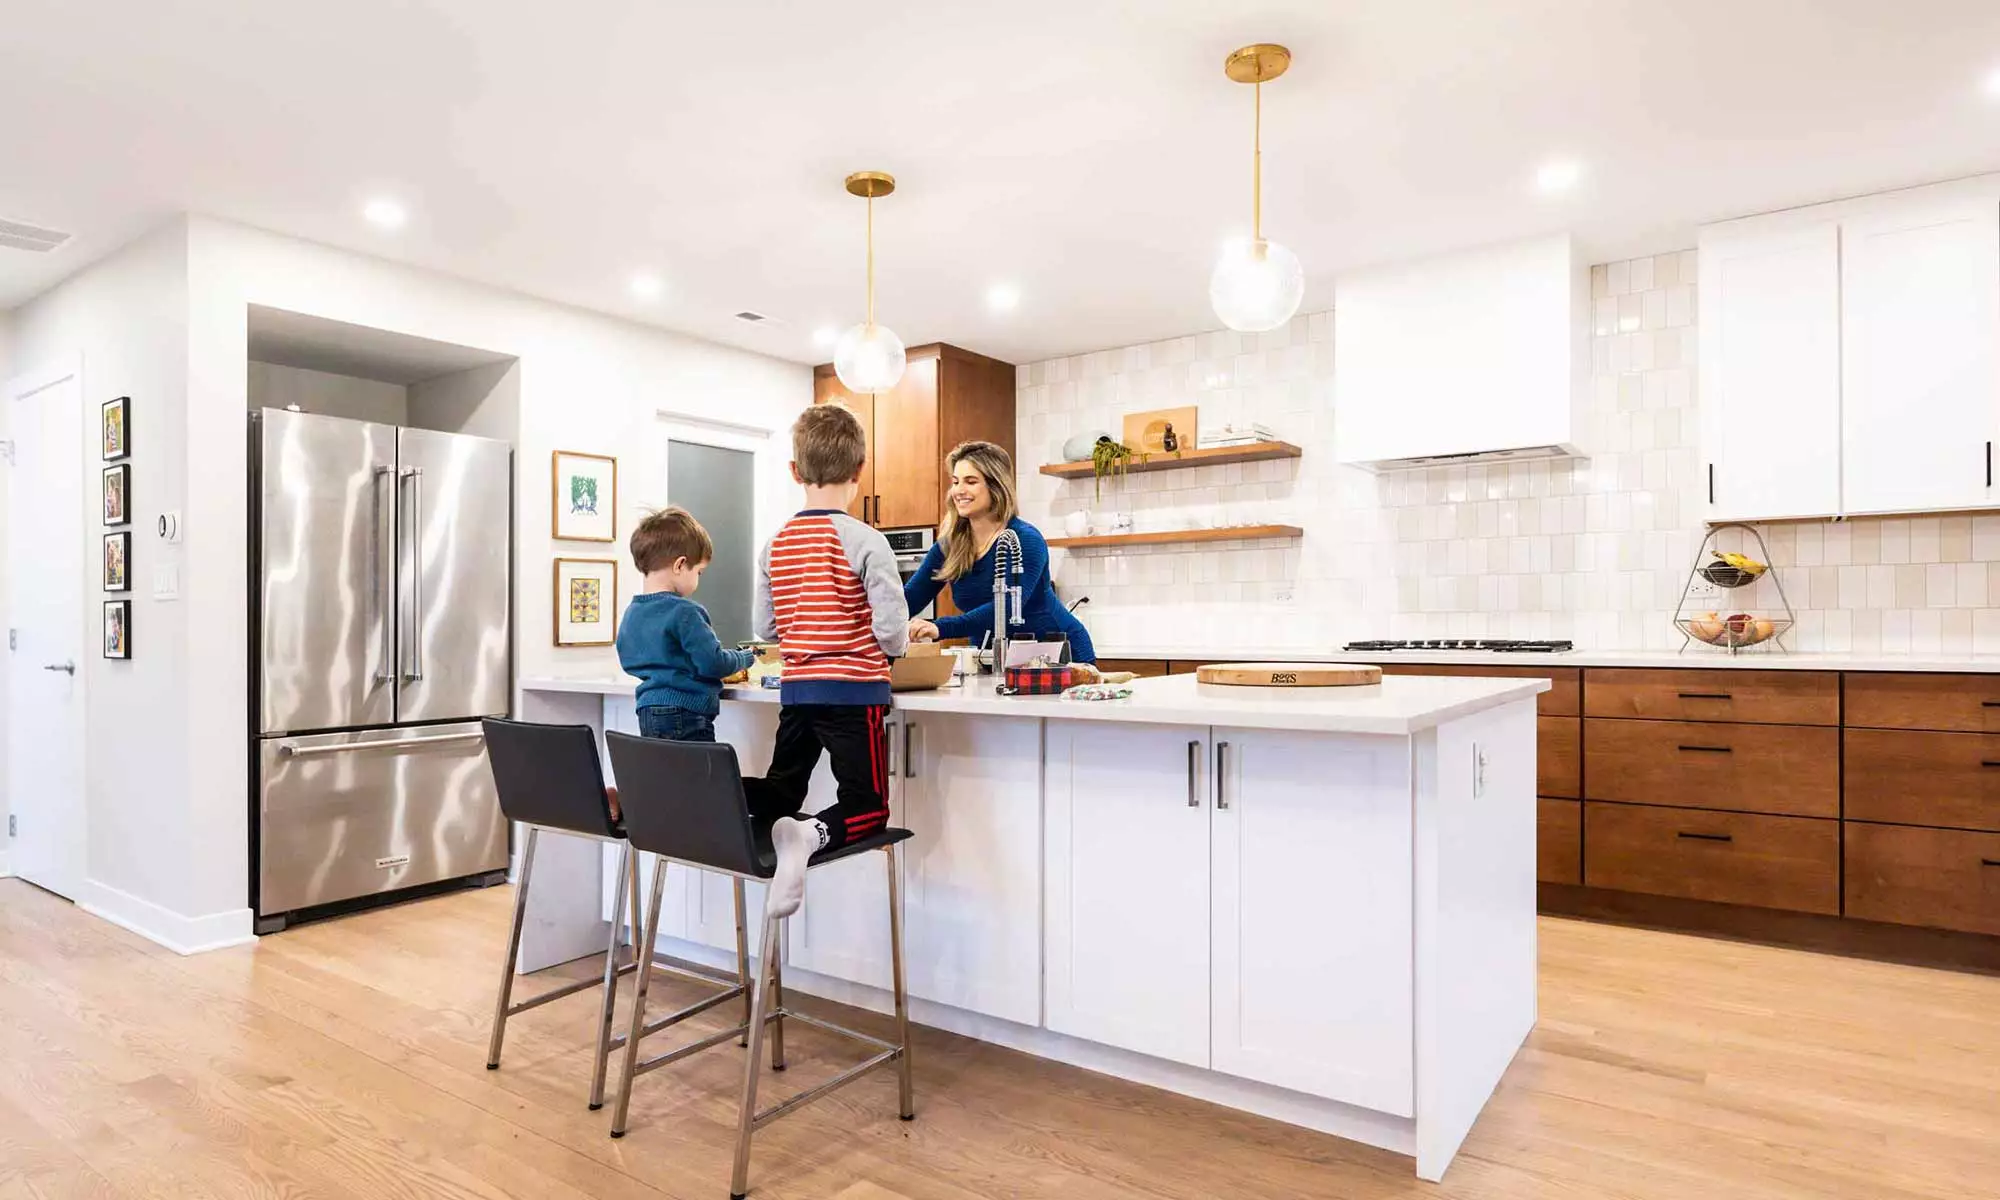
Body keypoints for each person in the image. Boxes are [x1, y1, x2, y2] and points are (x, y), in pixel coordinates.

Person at [749, 404, 909, 917]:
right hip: (852, 695)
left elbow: (765, 630)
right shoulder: (866, 541)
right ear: (859, 472)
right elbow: (891, 630)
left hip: (797, 693)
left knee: (779, 791)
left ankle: (696, 792)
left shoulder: (775, 545)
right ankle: (809, 834)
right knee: (870, 807)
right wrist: (891, 649)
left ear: (795, 472)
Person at [904, 440, 1095, 664]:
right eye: (955, 482)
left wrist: (939, 627)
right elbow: (910, 599)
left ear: (996, 486)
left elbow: (1005, 609)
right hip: (990, 657)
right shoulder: (951, 545)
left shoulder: (1025, 539)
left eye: (971, 481)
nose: (959, 490)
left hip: (1056, 654)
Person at [616, 506, 757, 746]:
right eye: (699, 572)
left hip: (647, 711)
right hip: (688, 714)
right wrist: (745, 658)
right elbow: (714, 662)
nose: (698, 580)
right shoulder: (686, 612)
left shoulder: (632, 612)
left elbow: (628, 658)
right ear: (680, 565)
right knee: (698, 781)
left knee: (668, 779)